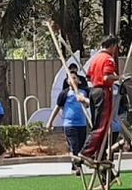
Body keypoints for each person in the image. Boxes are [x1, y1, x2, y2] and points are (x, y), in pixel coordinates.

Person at [79, 35, 119, 163]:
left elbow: (89, 76)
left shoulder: (95, 59)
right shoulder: (108, 59)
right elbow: (107, 77)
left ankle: (99, 154)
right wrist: (119, 78)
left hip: (93, 91)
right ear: (113, 46)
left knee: (98, 124)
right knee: (101, 125)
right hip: (103, 92)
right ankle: (86, 152)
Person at [48, 73, 89, 174]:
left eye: (74, 78)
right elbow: (58, 107)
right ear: (67, 81)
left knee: (81, 146)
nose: (72, 79)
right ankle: (76, 167)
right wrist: (50, 122)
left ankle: (75, 164)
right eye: (70, 78)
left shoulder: (83, 93)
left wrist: (83, 100)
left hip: (82, 124)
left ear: (79, 81)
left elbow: (88, 105)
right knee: (74, 146)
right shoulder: (65, 94)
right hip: (69, 124)